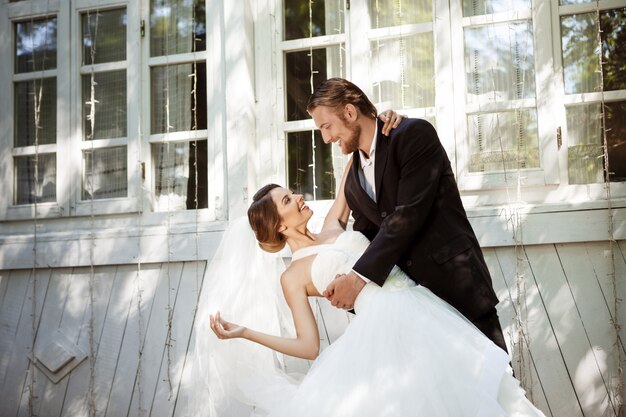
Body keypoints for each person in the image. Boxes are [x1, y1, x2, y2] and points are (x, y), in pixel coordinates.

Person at [205, 173, 546, 416]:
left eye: (292, 192)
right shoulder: (292, 277)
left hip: (423, 306)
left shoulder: (331, 228)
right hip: (384, 330)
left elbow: (350, 170)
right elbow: (308, 346)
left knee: (472, 391)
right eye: (288, 200)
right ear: (280, 225)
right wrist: (247, 333)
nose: (298, 197)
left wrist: (381, 125)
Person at [307, 77, 507, 352]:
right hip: (416, 310)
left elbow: (408, 215)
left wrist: (356, 280)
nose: (326, 138)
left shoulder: (412, 135)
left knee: (499, 384)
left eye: (326, 126)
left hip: (459, 287)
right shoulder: (352, 183)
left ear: (350, 113)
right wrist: (348, 284)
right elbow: (368, 240)